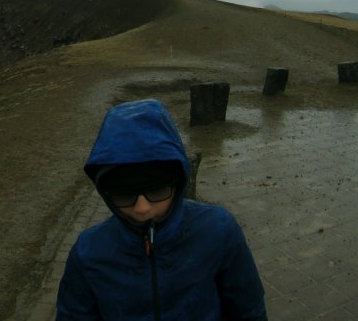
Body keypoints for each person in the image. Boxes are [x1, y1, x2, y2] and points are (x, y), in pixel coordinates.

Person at [56, 99, 267, 320]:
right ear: (105, 193)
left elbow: (249, 310)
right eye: (124, 194)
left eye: (157, 191)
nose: (142, 208)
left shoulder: (217, 231)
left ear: (178, 183)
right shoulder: (89, 253)